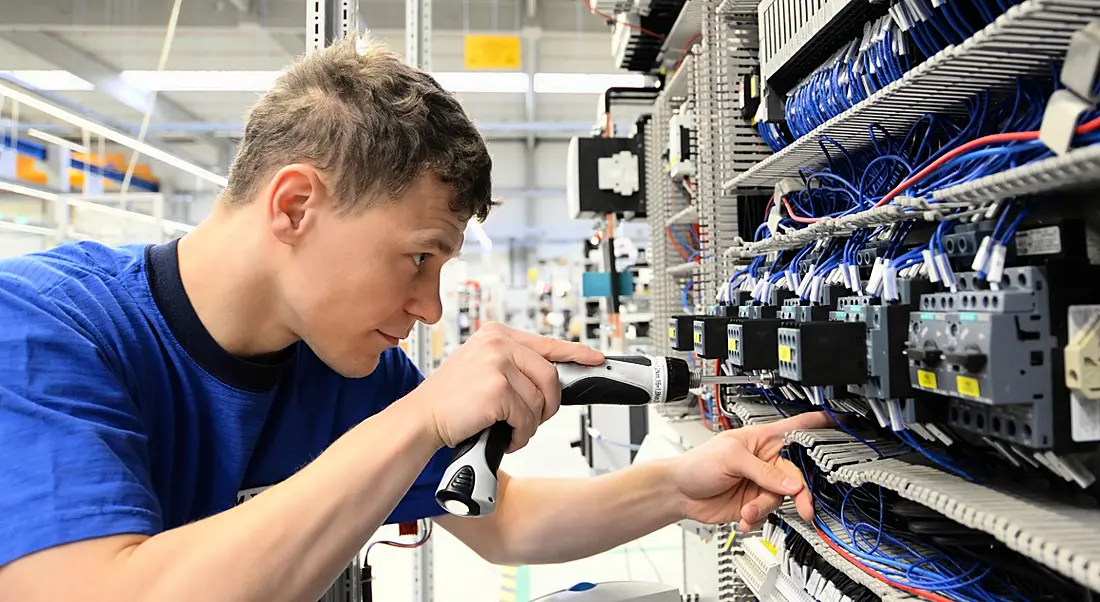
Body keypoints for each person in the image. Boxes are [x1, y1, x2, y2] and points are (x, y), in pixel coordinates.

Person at [0, 34, 826, 601]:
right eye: (418, 257)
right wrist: (419, 421)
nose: (428, 306)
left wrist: (676, 488)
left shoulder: (346, 366)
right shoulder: (43, 329)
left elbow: (500, 524)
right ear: (294, 206)